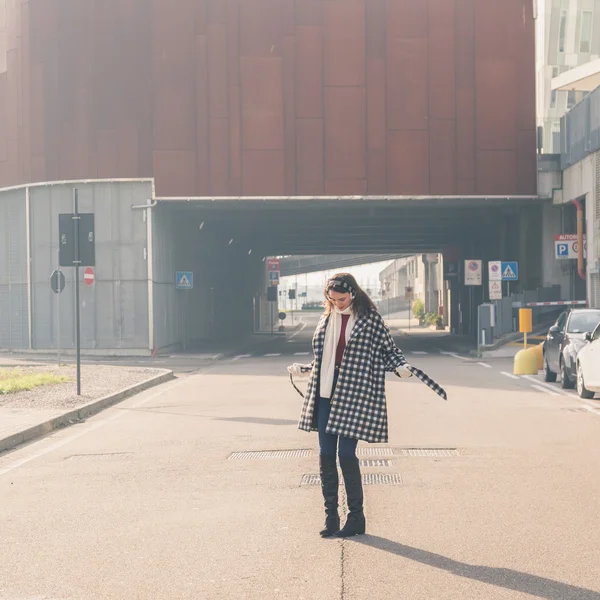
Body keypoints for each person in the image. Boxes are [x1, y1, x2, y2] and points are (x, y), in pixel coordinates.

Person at [287, 273, 446, 539]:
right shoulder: (326, 318)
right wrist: (305, 370)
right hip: (324, 392)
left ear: (353, 293)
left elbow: (389, 349)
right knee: (326, 455)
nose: (337, 303)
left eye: (341, 298)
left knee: (346, 455)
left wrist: (400, 366)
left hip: (353, 394)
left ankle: (356, 518)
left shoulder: (369, 319)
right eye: (332, 299)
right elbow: (324, 358)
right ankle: (331, 517)